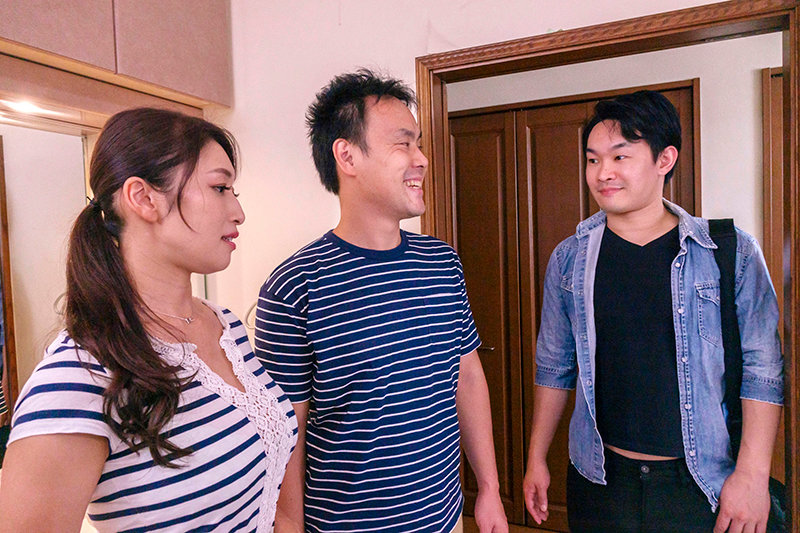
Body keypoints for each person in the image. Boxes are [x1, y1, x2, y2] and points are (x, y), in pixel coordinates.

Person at [0, 108, 297, 532]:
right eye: (219, 188)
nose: (237, 211)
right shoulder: (78, 380)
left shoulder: (224, 325)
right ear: (142, 198)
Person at [255, 69, 508, 533]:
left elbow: (468, 377)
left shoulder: (442, 262)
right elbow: (287, 430)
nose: (421, 159)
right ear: (347, 155)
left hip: (444, 518)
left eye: (418, 144)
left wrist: (489, 488)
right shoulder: (295, 285)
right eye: (403, 144)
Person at [522, 90, 783, 532]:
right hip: (600, 480)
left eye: (619, 157)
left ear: (665, 159)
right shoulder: (570, 259)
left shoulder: (728, 251)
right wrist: (536, 458)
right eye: (592, 159)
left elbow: (764, 370)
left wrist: (753, 477)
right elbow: (554, 366)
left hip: (700, 483)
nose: (603, 172)